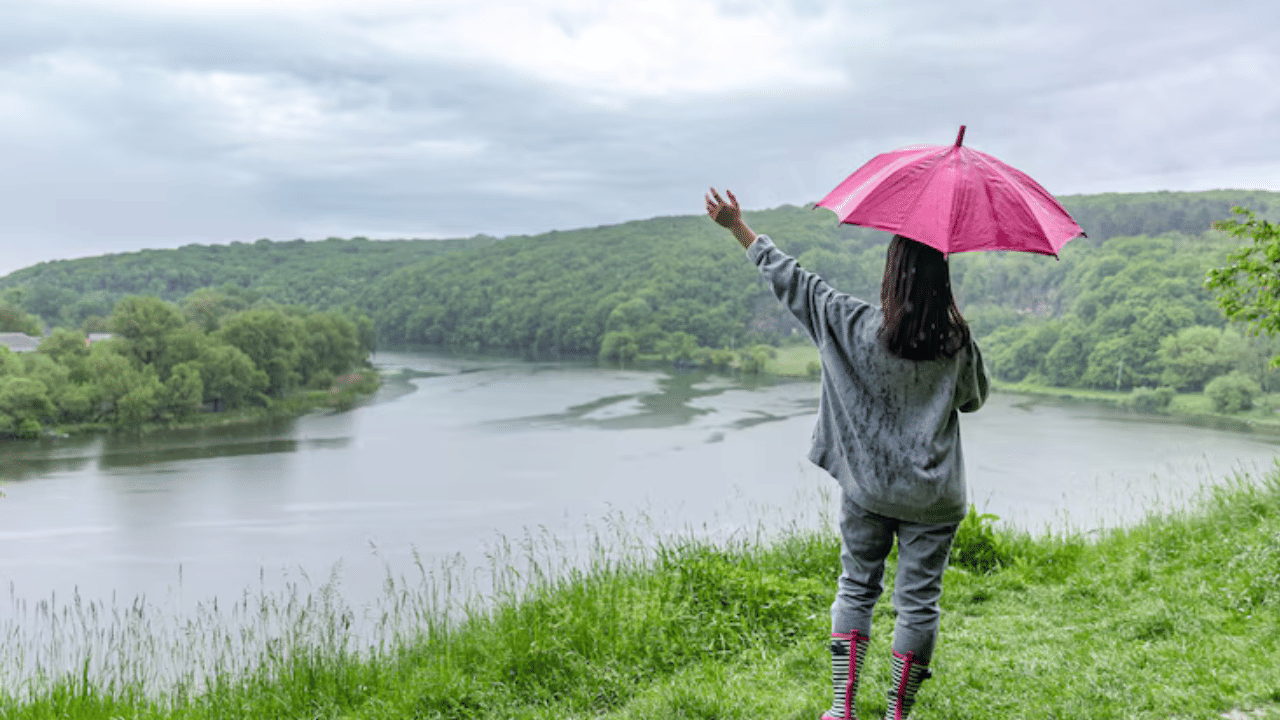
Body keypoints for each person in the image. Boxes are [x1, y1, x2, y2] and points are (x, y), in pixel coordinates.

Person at [704, 188, 989, 720]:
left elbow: (793, 280)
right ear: (940, 282)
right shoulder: (956, 342)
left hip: (867, 487)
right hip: (933, 496)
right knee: (918, 601)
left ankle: (841, 707)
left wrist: (738, 228)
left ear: (892, 272)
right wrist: (954, 337)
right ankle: (896, 714)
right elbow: (972, 401)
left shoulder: (847, 322)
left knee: (856, 587)